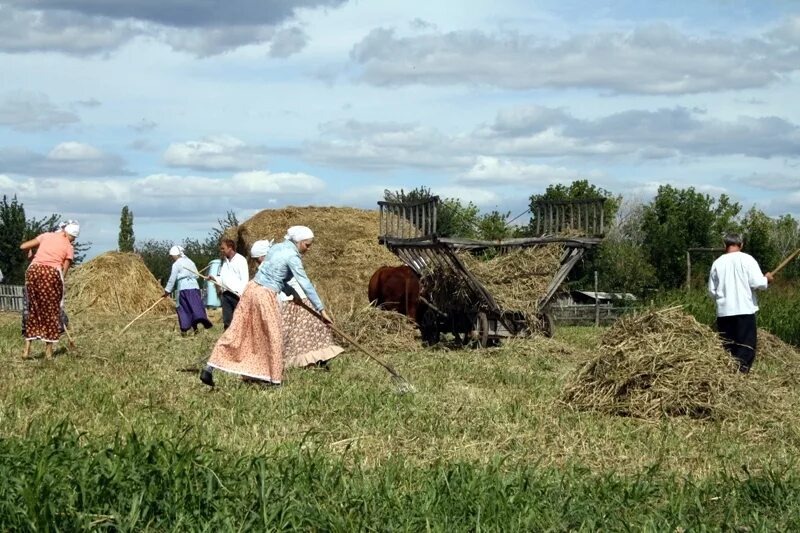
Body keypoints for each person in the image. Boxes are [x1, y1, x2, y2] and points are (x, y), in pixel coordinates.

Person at [201, 227, 332, 388]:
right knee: (274, 336)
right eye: (307, 245)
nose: (309, 249)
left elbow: (276, 276)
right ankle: (275, 381)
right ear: (298, 242)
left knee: (236, 331)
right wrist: (321, 310)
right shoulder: (292, 256)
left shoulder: (277, 247)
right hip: (265, 295)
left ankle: (209, 369)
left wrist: (292, 293)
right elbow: (305, 283)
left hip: (251, 290)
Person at [250, 239, 343, 371]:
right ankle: (302, 363)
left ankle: (315, 362)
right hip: (291, 301)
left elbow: (299, 282)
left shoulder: (275, 262)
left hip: (299, 299)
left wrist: (318, 307)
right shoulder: (270, 266)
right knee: (297, 335)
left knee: (309, 333)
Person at [708, 232, 774, 373]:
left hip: (724, 312)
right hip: (744, 310)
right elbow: (758, 283)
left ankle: (729, 374)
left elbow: (712, 291)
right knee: (746, 347)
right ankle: (741, 376)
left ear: (724, 245)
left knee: (728, 346)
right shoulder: (747, 260)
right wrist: (767, 279)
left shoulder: (717, 263)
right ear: (741, 244)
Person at [18, 221, 80, 359]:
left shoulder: (46, 235)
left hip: (33, 272)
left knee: (33, 309)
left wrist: (30, 252)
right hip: (51, 275)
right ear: (72, 236)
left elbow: (23, 246)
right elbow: (64, 272)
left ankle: (26, 350)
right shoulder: (69, 247)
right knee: (51, 313)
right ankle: (48, 352)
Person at [164, 246, 213, 335]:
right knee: (195, 307)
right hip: (195, 287)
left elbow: (172, 279)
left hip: (184, 288)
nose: (172, 258)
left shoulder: (176, 264)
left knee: (184, 309)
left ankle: (184, 329)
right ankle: (197, 326)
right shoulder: (190, 262)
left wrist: (167, 291)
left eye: (172, 256)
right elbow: (197, 275)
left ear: (175, 255)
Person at [212, 238, 249, 329]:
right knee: (227, 321)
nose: (221, 251)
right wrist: (214, 278)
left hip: (237, 295)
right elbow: (223, 278)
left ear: (230, 248)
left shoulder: (240, 260)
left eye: (223, 248)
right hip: (226, 295)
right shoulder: (224, 262)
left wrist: (242, 294)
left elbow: (245, 279)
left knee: (239, 320)